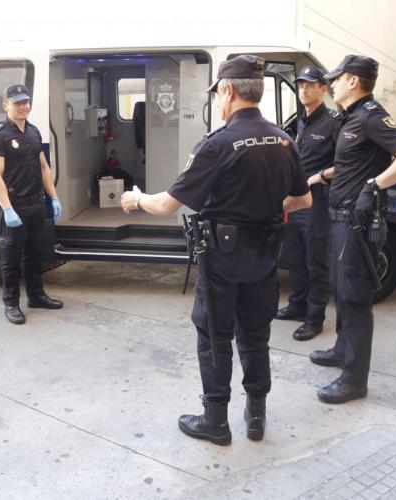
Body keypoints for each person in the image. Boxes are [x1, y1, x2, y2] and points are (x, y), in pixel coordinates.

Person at [121, 55, 311, 445]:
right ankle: (255, 416)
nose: (218, 102)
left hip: (222, 259)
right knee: (255, 334)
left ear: (229, 90)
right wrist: (265, 206)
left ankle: (216, 421)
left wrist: (137, 198)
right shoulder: (284, 140)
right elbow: (303, 200)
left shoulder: (218, 144)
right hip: (265, 257)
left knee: (214, 335)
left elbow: (168, 204)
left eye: (219, 94)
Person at [310, 55, 396, 404]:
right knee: (341, 289)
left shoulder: (372, 116)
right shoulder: (350, 117)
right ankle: (342, 350)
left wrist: (375, 185)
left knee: (355, 299)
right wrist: (322, 175)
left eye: (336, 79)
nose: (331, 84)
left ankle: (354, 380)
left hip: (357, 225)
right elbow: (352, 162)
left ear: (354, 81)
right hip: (340, 220)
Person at [0, 84, 63, 325]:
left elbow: (44, 167)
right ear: (5, 105)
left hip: (35, 203)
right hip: (15, 206)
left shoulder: (33, 132)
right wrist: (7, 209)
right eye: (17, 102)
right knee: (11, 259)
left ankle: (36, 296)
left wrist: (54, 197)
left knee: (35, 254)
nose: (23, 106)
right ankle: (11, 304)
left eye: (26, 101)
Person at [276, 66, 341, 341]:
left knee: (316, 262)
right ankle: (298, 305)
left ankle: (314, 319)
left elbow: (347, 163)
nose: (303, 89)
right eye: (301, 85)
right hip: (296, 201)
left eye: (310, 85)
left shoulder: (334, 122)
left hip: (318, 203)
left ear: (323, 89)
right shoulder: (302, 121)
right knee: (296, 259)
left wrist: (319, 177)